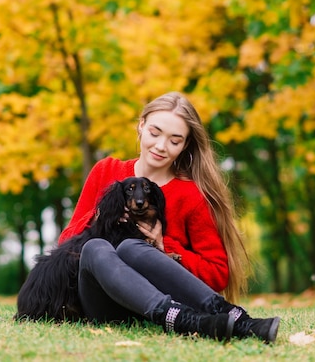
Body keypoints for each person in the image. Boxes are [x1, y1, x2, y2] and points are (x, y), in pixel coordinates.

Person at [58, 92, 280, 342]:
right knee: (95, 248)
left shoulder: (191, 196)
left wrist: (164, 246)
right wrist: (103, 216)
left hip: (155, 310)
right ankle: (186, 318)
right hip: (103, 304)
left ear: (185, 145)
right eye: (155, 133)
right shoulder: (106, 171)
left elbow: (218, 273)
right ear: (141, 126)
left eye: (175, 140)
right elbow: (65, 244)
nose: (161, 146)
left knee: (133, 247)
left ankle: (236, 319)